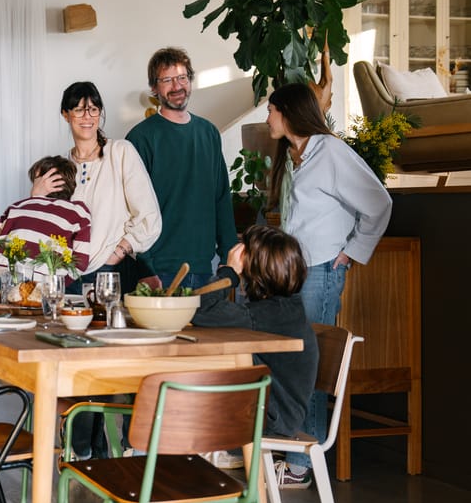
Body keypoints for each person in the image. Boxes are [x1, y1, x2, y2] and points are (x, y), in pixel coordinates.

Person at [31, 81, 162, 458]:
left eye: (93, 108)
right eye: (79, 108)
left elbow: (149, 214)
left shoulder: (120, 153)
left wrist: (123, 249)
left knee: (101, 366)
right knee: (73, 365)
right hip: (70, 278)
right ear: (65, 115)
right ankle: (84, 448)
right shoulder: (58, 167)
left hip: (109, 276)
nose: (87, 116)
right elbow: (41, 227)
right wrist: (37, 194)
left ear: (100, 114)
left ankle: (98, 449)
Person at [265, 82, 392, 460]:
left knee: (314, 365)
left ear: (287, 112)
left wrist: (352, 251)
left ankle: (304, 462)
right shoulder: (294, 156)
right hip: (295, 273)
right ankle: (294, 452)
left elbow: (379, 203)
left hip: (321, 270)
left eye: (271, 109)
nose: (267, 117)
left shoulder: (331, 152)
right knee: (297, 363)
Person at [192, 225, 319, 482]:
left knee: (177, 403)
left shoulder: (271, 313)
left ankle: (163, 478)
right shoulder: (280, 309)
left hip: (273, 419)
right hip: (273, 410)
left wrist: (228, 272)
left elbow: (200, 310)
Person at [126, 46, 236, 289]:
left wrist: (228, 256)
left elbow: (221, 198)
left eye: (182, 77)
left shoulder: (209, 133)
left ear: (190, 81)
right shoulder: (140, 138)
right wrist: (145, 268)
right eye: (167, 80)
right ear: (154, 88)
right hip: (159, 272)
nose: (177, 86)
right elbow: (131, 209)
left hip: (204, 269)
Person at [0, 155, 91, 283]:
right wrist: (59, 282)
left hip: (2, 272)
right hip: (46, 278)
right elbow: (81, 262)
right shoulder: (79, 212)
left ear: (38, 176)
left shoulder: (18, 206)